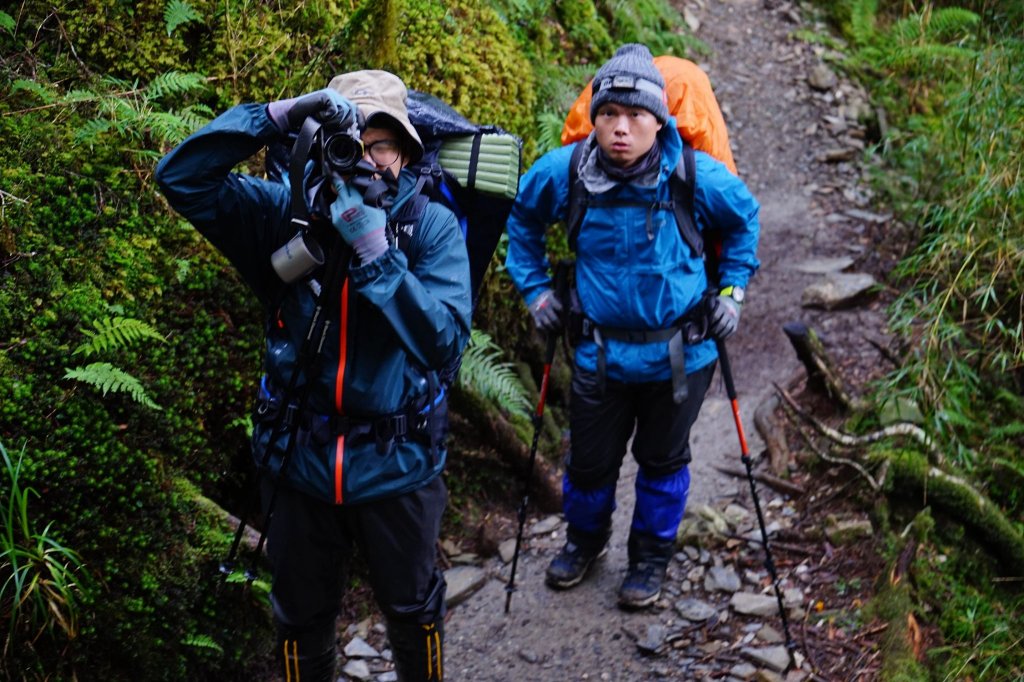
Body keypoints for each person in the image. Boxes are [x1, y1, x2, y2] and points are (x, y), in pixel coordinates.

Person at [156, 70, 471, 681]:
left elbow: (444, 343)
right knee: (300, 615)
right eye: (345, 139)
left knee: (412, 609)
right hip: (297, 459)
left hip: (397, 463)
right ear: (314, 146)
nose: (364, 156)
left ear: (403, 154)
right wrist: (272, 114)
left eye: (379, 142)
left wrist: (380, 258)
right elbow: (180, 178)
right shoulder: (283, 216)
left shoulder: (427, 228)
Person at [505, 44, 760, 609]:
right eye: (609, 115)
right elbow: (521, 219)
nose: (621, 129)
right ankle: (584, 542)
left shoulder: (694, 176)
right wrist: (536, 290)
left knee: (664, 462)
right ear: (594, 118)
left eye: (636, 116)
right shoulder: (567, 172)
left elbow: (744, 221)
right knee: (589, 464)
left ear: (660, 120)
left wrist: (732, 292)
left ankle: (650, 557)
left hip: (681, 354)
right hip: (598, 355)